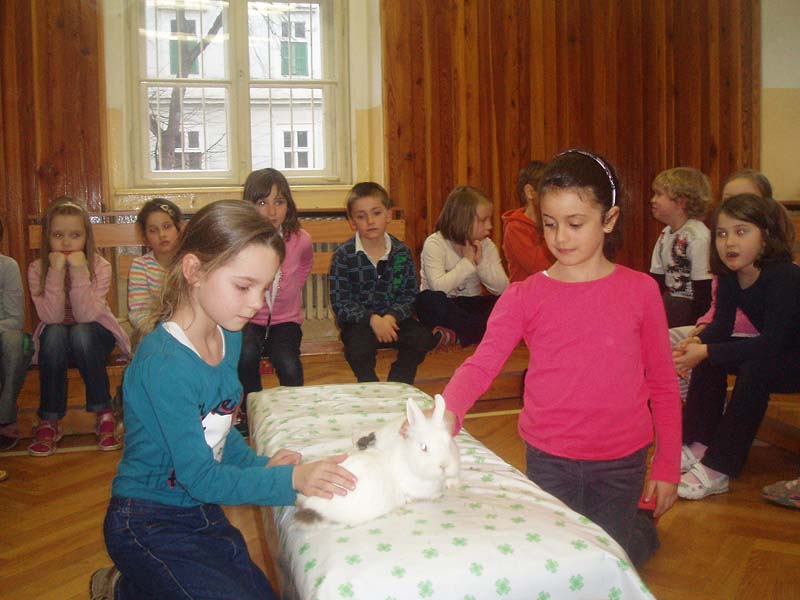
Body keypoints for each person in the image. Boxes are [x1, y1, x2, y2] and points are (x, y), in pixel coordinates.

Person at [90, 200, 356, 600]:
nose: (257, 303)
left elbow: (219, 426)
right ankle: (127, 585)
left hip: (199, 510)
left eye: (265, 288)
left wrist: (259, 465)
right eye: (244, 286)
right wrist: (290, 480)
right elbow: (201, 478)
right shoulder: (165, 365)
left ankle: (137, 587)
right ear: (194, 271)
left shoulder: (228, 335)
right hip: (147, 520)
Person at [438, 150, 681, 567]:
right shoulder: (524, 295)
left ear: (609, 219)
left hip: (621, 461)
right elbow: (483, 362)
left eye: (575, 224)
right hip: (549, 457)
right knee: (556, 558)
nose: (561, 238)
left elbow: (662, 381)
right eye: (550, 224)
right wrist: (446, 411)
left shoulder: (640, 292)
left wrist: (667, 464)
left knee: (608, 559)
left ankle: (637, 531)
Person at [674, 193, 800, 500]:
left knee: (755, 368)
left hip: (790, 357)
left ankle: (719, 468)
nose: (729, 242)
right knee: (712, 356)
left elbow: (772, 343)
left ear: (766, 237)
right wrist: (698, 342)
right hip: (778, 354)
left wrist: (707, 350)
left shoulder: (785, 276)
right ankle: (700, 444)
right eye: (721, 233)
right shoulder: (731, 276)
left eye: (741, 231)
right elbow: (722, 327)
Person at [26, 198, 130, 456]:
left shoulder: (100, 266)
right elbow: (51, 317)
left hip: (95, 337)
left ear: (86, 237)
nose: (66, 243)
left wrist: (80, 269)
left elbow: (86, 315)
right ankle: (50, 419)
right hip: (57, 343)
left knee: (81, 331)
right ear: (47, 237)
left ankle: (103, 412)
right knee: (54, 332)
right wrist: (56, 272)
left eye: (75, 235)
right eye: (58, 235)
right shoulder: (37, 269)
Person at [669, 170, 772, 400]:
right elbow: (718, 310)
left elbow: (771, 337)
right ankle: (687, 410)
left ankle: (694, 405)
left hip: (761, 341)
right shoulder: (728, 264)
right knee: (674, 342)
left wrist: (706, 345)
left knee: (702, 353)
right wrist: (702, 331)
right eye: (728, 200)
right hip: (731, 333)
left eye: (745, 199)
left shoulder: (779, 271)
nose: (735, 206)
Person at [329, 182, 437, 383]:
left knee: (422, 338)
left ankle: (398, 382)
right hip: (360, 323)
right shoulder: (343, 255)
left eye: (376, 213)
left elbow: (410, 294)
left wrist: (390, 317)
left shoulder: (401, 252)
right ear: (352, 222)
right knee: (357, 347)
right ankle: (370, 386)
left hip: (394, 320)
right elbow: (341, 302)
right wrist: (372, 320)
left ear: (388, 215)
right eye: (361, 216)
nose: (370, 221)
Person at [238, 168, 312, 401]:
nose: (272, 211)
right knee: (246, 355)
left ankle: (293, 408)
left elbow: (305, 263)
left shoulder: (300, 239)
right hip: (250, 318)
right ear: (249, 205)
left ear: (288, 204)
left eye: (279, 202)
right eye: (262, 203)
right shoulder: (242, 241)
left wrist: (292, 287)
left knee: (288, 363)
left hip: (285, 320)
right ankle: (251, 406)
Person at [416, 185, 509, 347]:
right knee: (427, 300)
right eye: (483, 220)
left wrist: (481, 263)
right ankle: (481, 332)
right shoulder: (435, 243)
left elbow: (503, 288)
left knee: (507, 302)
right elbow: (439, 288)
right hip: (445, 304)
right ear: (463, 220)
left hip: (471, 304)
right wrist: (467, 262)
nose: (490, 226)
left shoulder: (486, 245)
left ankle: (458, 334)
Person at [649, 167, 713, 327]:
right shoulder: (665, 234)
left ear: (681, 202)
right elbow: (656, 281)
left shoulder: (697, 236)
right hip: (672, 300)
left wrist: (696, 325)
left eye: (659, 194)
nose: (653, 200)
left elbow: (704, 290)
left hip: (690, 305)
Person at [0, 218, 34, 451]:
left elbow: (15, 320)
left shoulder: (7, 266)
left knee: (19, 343)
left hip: (4, 334)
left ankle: (5, 416)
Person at [127, 198, 184, 332]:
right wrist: (161, 334)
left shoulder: (190, 263)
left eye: (167, 226)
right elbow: (139, 313)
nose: (162, 234)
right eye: (153, 230)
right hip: (155, 333)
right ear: (145, 236)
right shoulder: (140, 266)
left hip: (189, 330)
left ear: (179, 228)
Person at [502, 160, 553, 282]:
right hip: (527, 292)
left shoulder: (553, 223)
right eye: (547, 192)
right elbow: (541, 268)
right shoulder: (515, 229)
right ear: (530, 192)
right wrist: (549, 227)